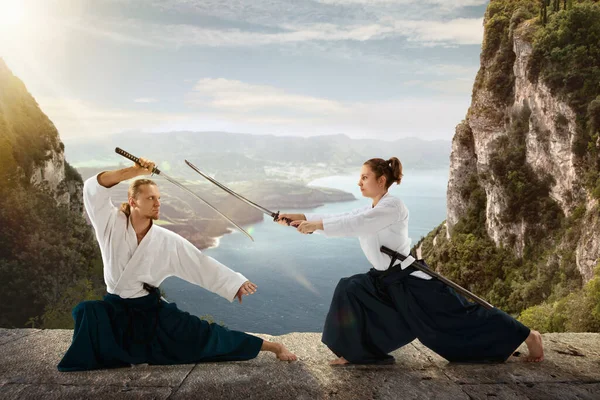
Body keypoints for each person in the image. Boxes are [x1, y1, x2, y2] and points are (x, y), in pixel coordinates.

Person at [277, 157, 544, 365]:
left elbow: (354, 223)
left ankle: (527, 335)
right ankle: (356, 354)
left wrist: (313, 225)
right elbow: (342, 217)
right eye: (359, 177)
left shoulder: (392, 206)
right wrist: (299, 218)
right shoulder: (372, 207)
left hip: (411, 281)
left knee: (458, 319)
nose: (359, 182)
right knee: (350, 289)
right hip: (384, 280)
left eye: (364, 177)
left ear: (381, 180)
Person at [58, 157, 296, 371]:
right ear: (132, 200)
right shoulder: (109, 223)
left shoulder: (166, 240)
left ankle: (272, 346)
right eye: (150, 198)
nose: (157, 203)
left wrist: (234, 283)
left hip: (149, 310)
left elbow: (200, 263)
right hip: (114, 310)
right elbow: (93, 187)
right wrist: (134, 171)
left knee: (205, 336)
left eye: (159, 198)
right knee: (86, 312)